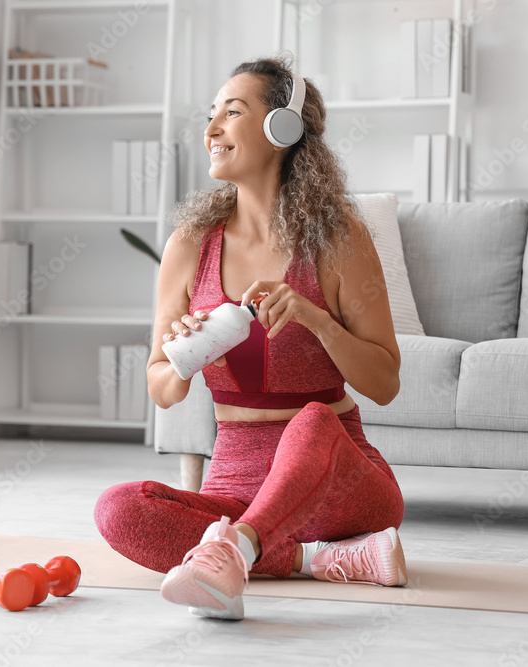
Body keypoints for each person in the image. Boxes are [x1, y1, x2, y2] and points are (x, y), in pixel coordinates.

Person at [94, 54, 406, 621]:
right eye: (210, 115)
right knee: (119, 510)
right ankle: (311, 559)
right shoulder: (190, 245)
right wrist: (184, 353)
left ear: (281, 130)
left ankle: (233, 551)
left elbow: (385, 382)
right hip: (234, 488)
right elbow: (161, 389)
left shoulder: (337, 239)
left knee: (315, 418)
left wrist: (317, 320)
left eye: (231, 113)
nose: (211, 130)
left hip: (341, 482)